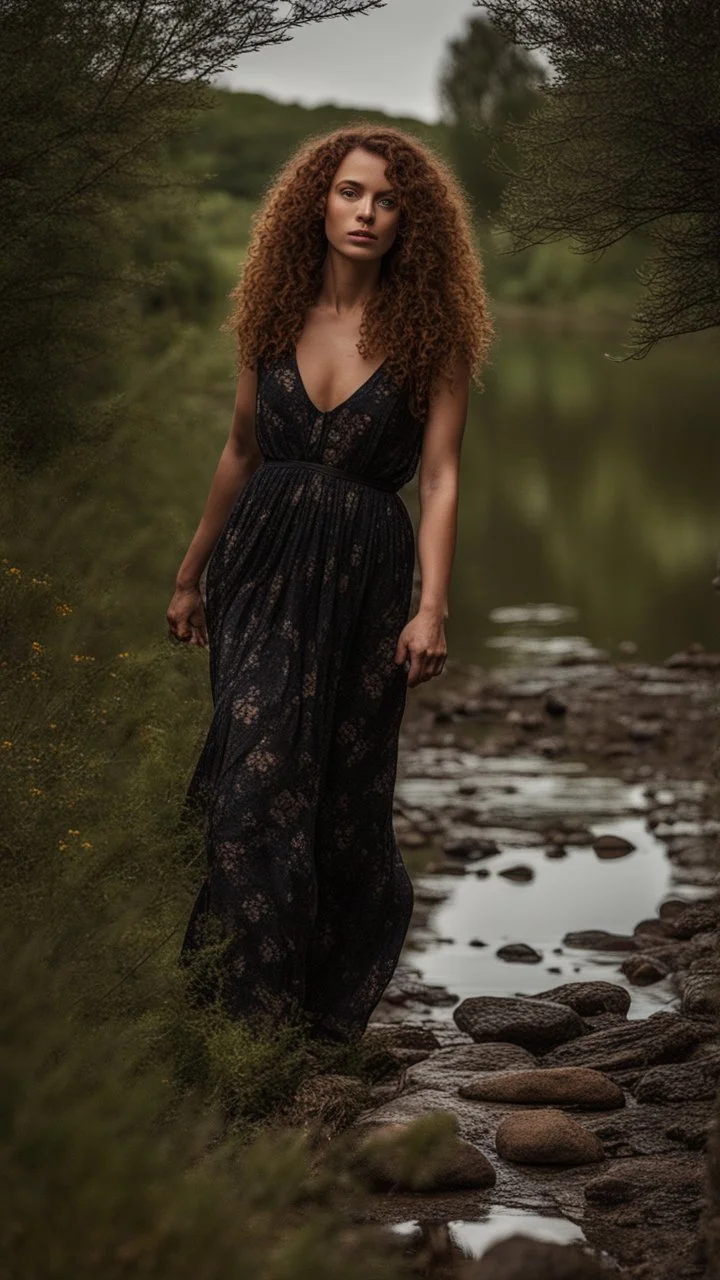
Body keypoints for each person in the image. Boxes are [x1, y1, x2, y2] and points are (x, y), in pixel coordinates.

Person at [166, 123, 493, 1044]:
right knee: (252, 782)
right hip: (260, 570)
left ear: (409, 223)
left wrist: (432, 606)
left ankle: (319, 1013)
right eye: (353, 192)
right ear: (319, 200)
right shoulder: (271, 316)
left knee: (342, 801)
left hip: (366, 579)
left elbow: (439, 479)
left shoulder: (434, 338)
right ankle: (239, 1022)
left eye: (389, 200)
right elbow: (240, 451)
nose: (368, 212)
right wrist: (191, 576)